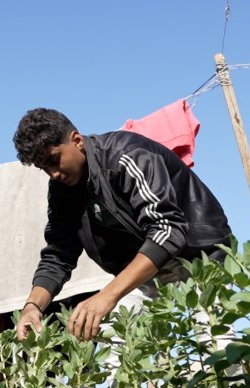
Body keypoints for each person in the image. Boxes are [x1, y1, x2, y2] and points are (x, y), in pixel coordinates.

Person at [13, 108, 231, 341]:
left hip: (199, 257)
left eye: (54, 160)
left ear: (76, 140)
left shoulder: (127, 155)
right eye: (43, 168)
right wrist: (32, 307)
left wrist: (108, 295)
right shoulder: (62, 191)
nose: (53, 173)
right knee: (114, 342)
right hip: (148, 271)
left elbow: (167, 230)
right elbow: (59, 254)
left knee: (214, 345)